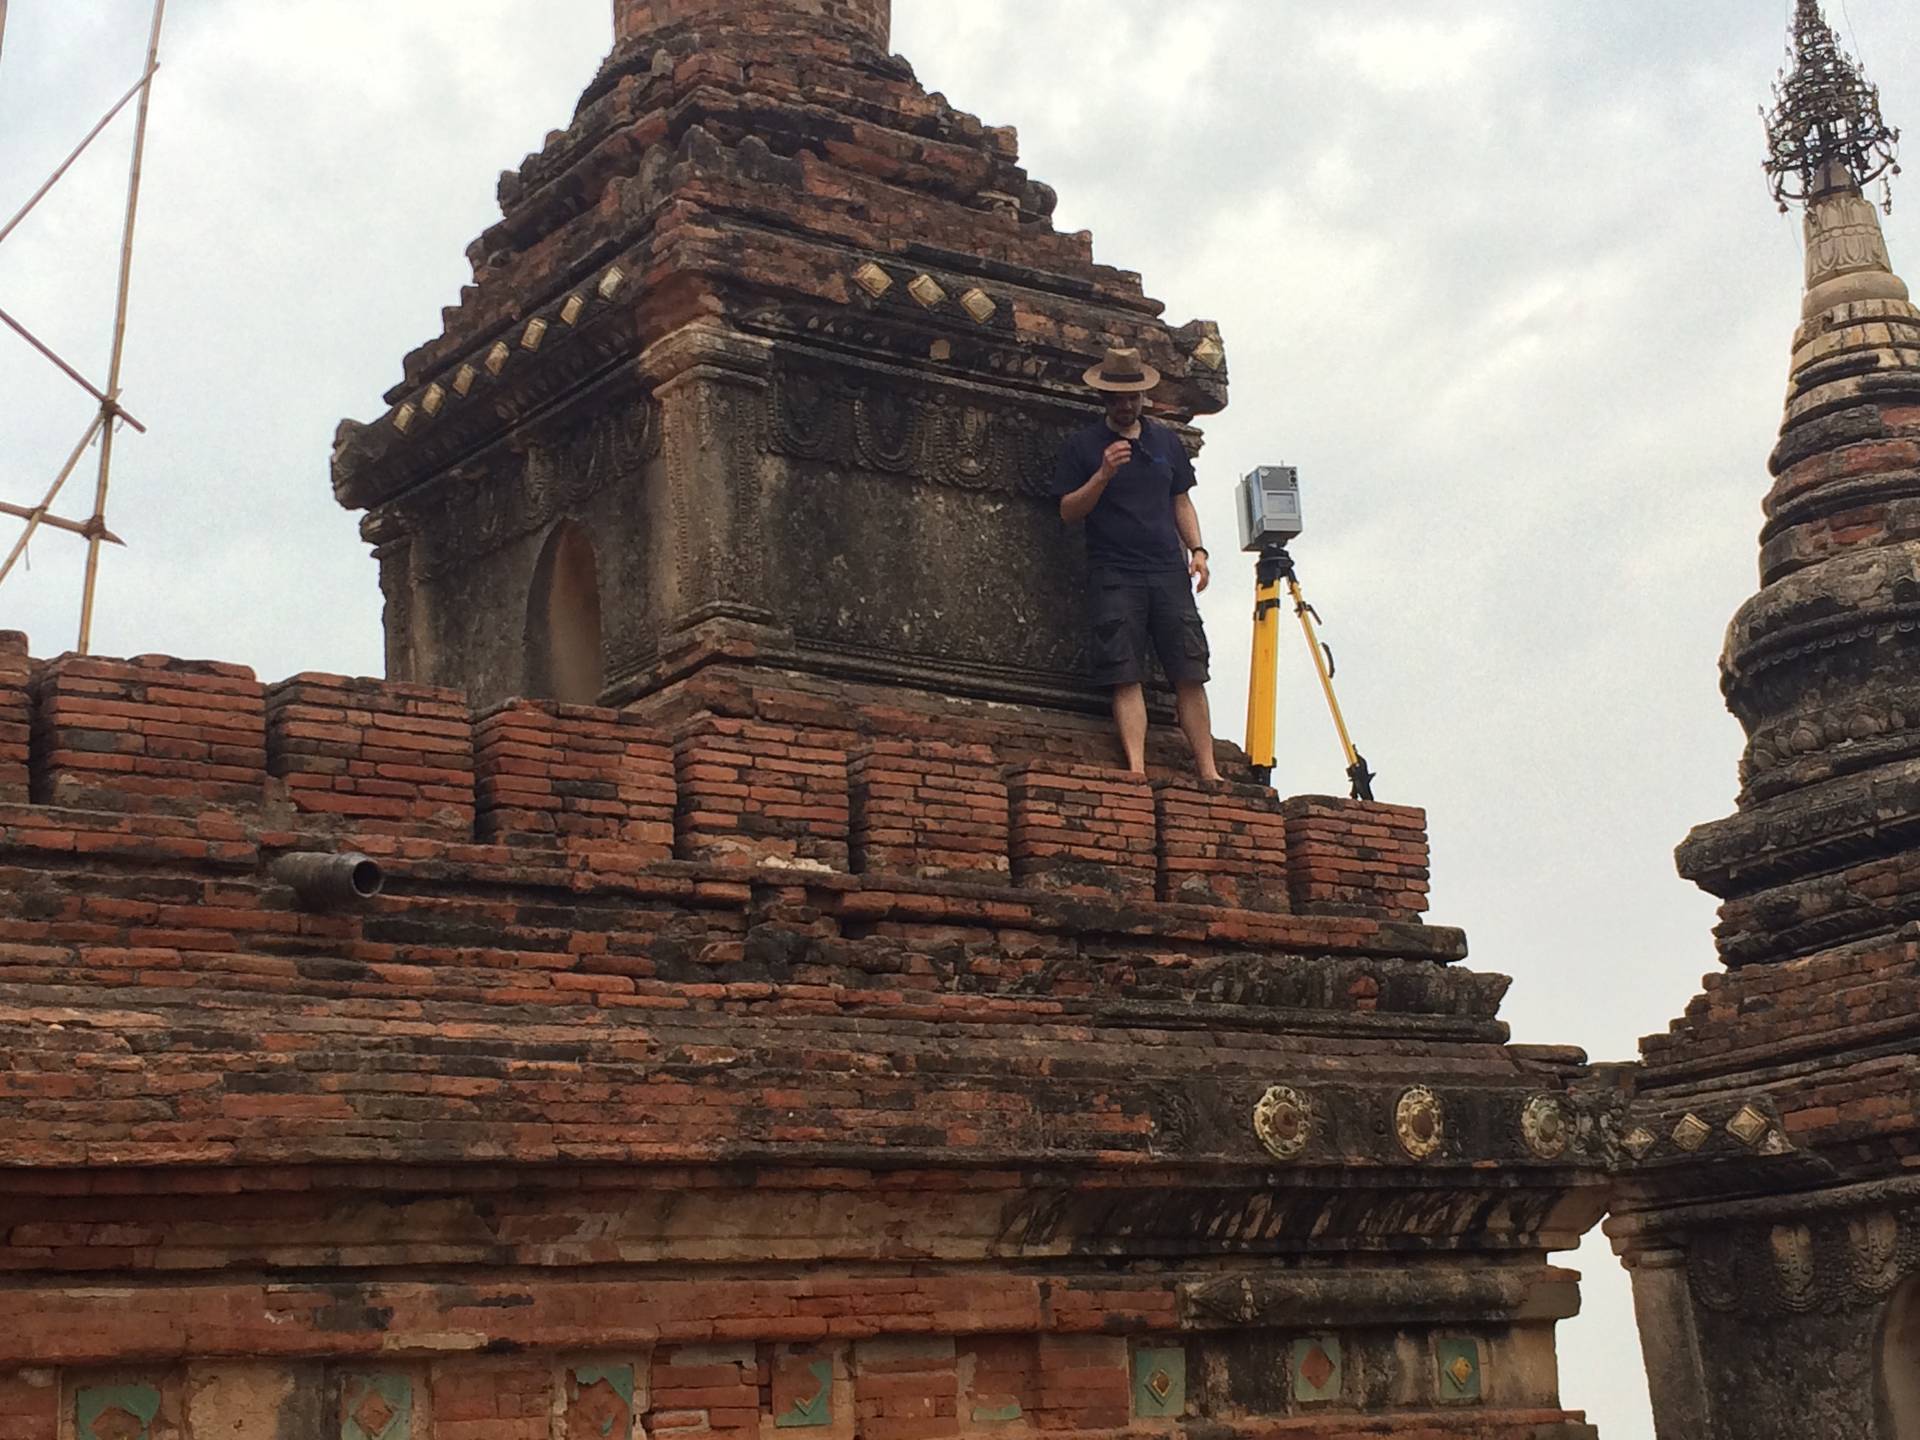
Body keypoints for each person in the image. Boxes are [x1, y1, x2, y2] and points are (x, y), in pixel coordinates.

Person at [1053, 346, 1221, 784]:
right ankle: (1136, 770)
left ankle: (1209, 771)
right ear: (1104, 399)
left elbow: (1180, 498)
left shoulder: (1164, 440)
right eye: (1116, 398)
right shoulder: (1084, 445)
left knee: (1190, 670)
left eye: (1132, 397)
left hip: (1168, 568)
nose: (1125, 405)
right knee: (1124, 671)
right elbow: (1069, 511)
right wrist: (1103, 475)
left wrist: (1198, 550)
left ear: (1143, 397)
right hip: (1115, 569)